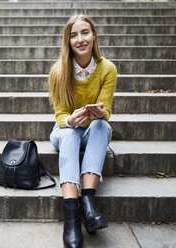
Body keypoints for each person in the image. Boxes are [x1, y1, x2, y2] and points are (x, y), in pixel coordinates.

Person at [48, 15, 117, 248]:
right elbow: (59, 117)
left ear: (94, 35)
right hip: (65, 131)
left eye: (85, 33)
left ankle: (88, 205)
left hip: (92, 132)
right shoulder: (58, 71)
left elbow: (105, 110)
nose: (80, 39)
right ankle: (71, 220)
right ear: (67, 41)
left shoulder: (108, 69)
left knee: (101, 125)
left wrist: (98, 113)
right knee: (68, 133)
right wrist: (71, 119)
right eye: (73, 35)